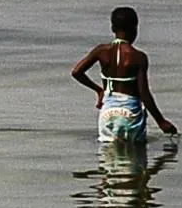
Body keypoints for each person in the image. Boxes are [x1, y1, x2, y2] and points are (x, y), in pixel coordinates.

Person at [73, 8, 175, 145]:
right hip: (130, 113)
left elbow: (76, 72)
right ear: (135, 28)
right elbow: (144, 94)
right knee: (136, 162)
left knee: (108, 160)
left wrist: (99, 90)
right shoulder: (138, 57)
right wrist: (161, 122)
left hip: (107, 114)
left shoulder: (101, 51)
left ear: (112, 28)